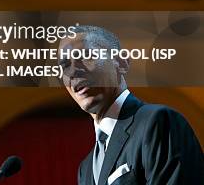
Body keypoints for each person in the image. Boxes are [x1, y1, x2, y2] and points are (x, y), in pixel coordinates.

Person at [58, 25, 203, 184]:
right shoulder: (85, 168)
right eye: (65, 65)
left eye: (85, 56)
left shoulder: (158, 122)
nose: (72, 72)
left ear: (121, 63)